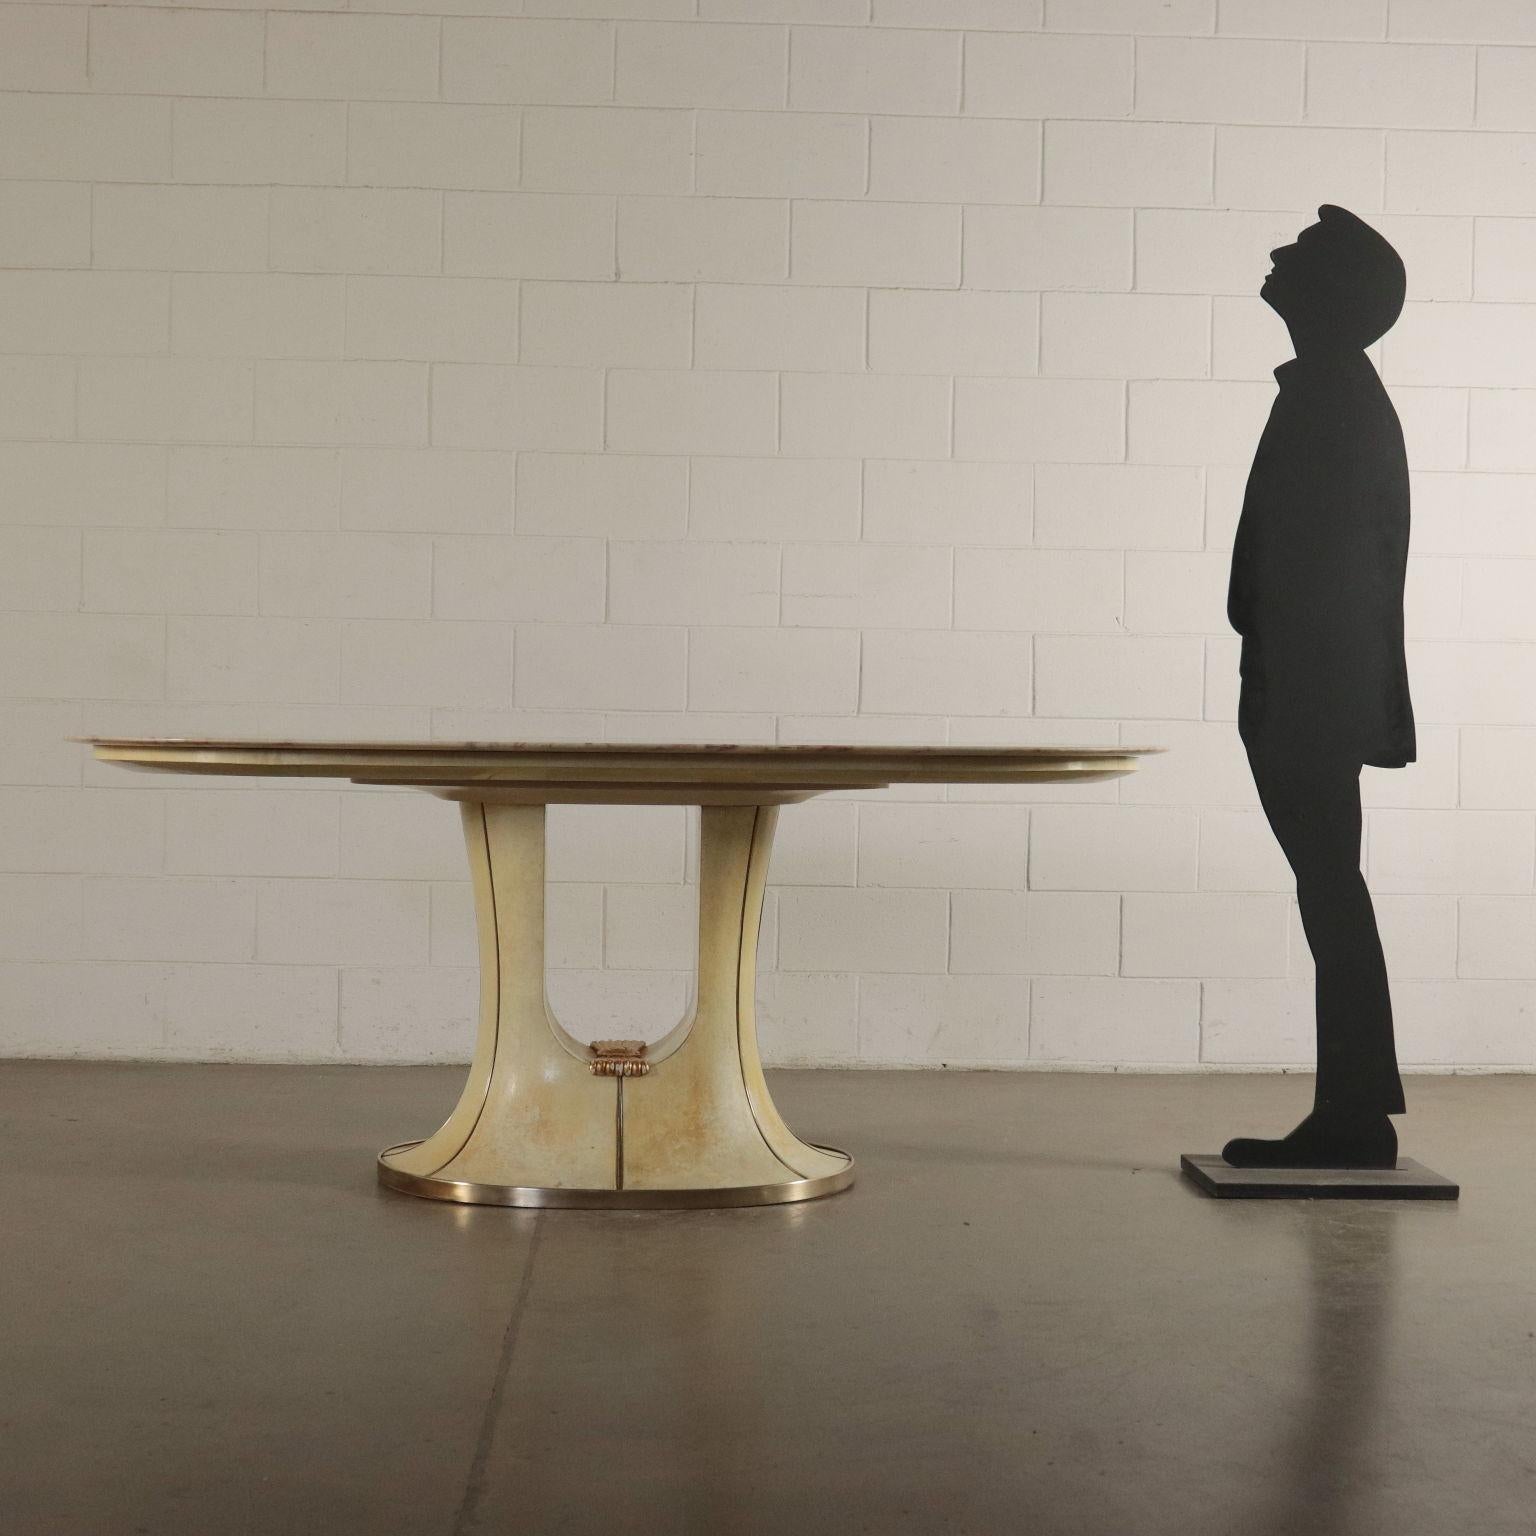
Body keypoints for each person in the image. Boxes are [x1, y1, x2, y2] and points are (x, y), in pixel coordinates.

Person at [1221, 204, 1414, 1170]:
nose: (1273, 255)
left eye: (1296, 253)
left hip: (1310, 692)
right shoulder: (1333, 391)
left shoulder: (1334, 397)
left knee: (1331, 889)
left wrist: (1291, 684)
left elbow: (1339, 571)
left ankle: (1353, 1115)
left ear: (1330, 294)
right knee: (1331, 888)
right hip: (1306, 686)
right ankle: (1354, 1108)